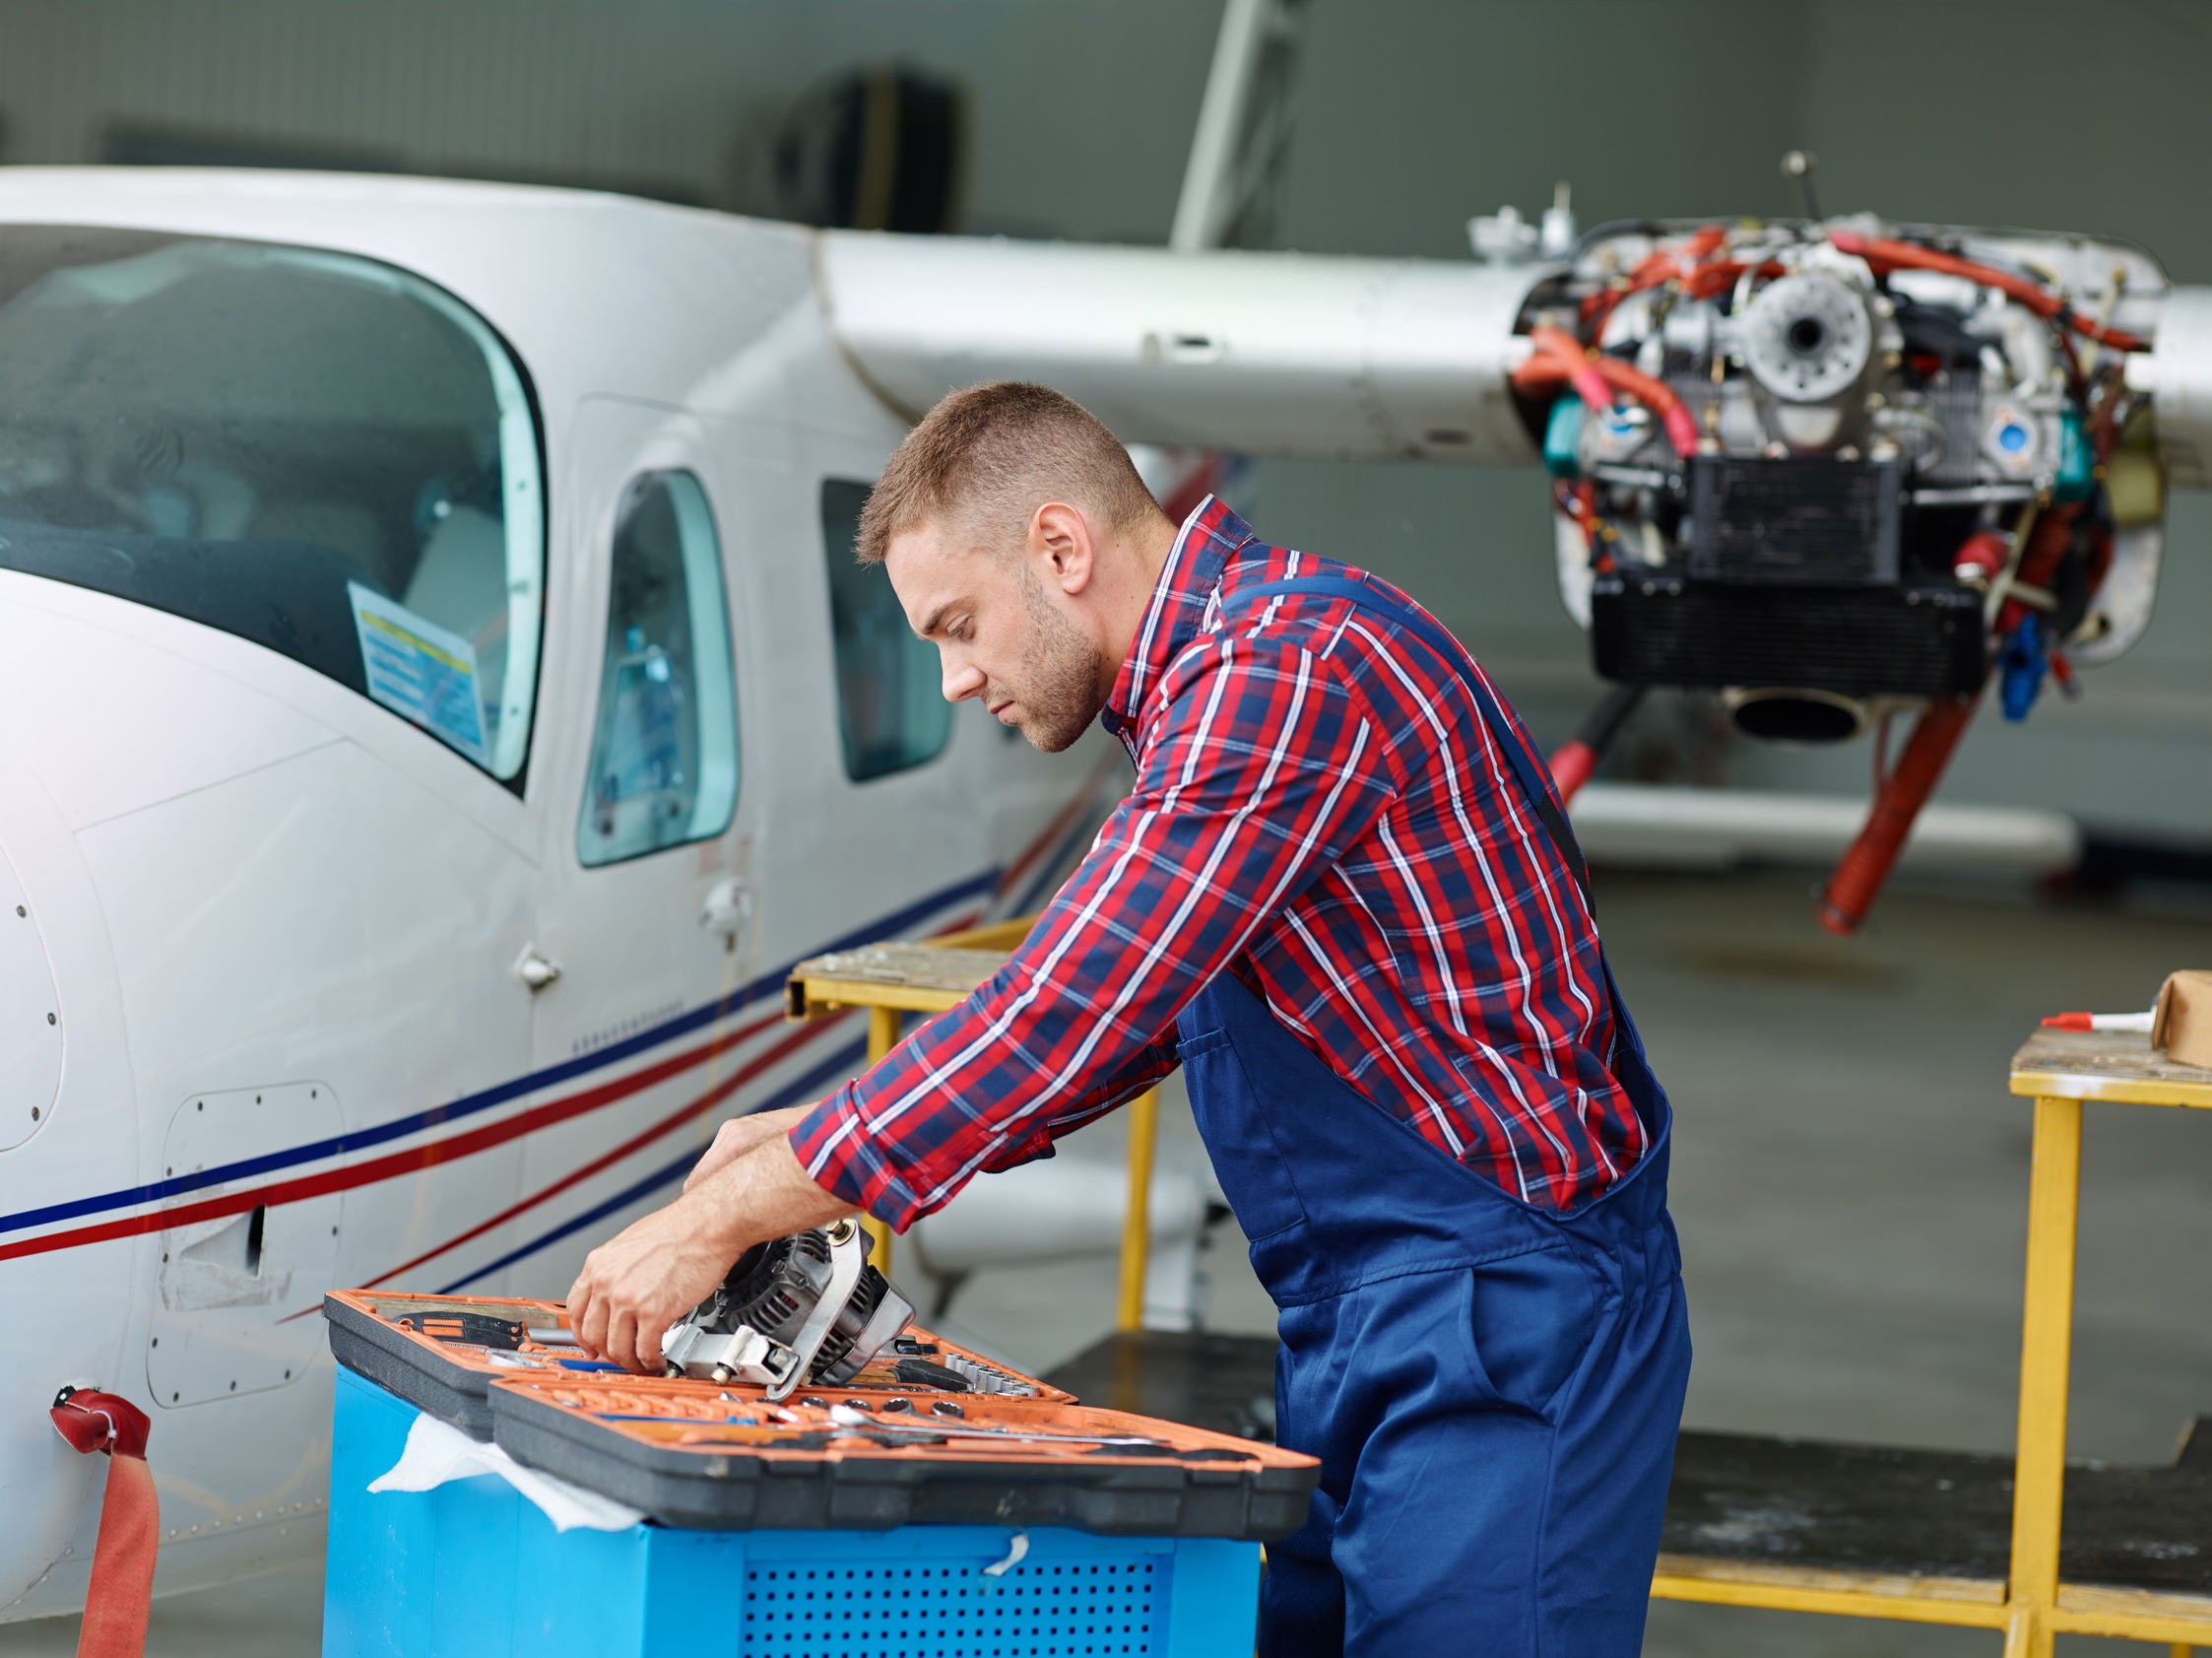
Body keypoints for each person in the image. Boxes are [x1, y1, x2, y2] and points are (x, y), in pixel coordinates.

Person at [567, 380, 1691, 1656]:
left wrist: (732, 1211)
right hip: (1369, 1310)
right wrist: (799, 1140)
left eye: (958, 626)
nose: (951, 680)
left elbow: (1073, 1008)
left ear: (1060, 548)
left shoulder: (1283, 674)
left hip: (1506, 1316)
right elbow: (1139, 993)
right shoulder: (1211, 685)